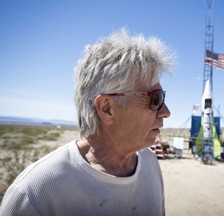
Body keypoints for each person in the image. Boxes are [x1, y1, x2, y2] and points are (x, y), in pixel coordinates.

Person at [0, 28, 174, 215]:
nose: (166, 112)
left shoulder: (149, 161)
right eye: (155, 99)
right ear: (107, 108)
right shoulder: (35, 194)